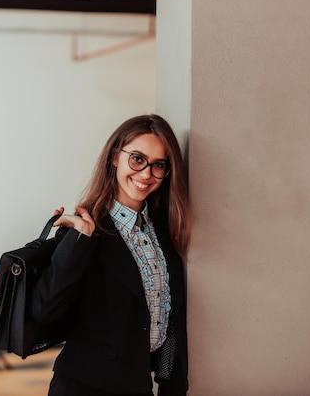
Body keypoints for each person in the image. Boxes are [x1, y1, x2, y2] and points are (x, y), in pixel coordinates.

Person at [32, 114, 191, 396]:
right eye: (137, 159)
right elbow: (44, 311)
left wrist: (171, 384)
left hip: (140, 386)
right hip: (84, 387)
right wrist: (78, 242)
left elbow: (169, 321)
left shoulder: (162, 233)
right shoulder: (84, 232)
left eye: (158, 165)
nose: (146, 175)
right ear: (115, 157)